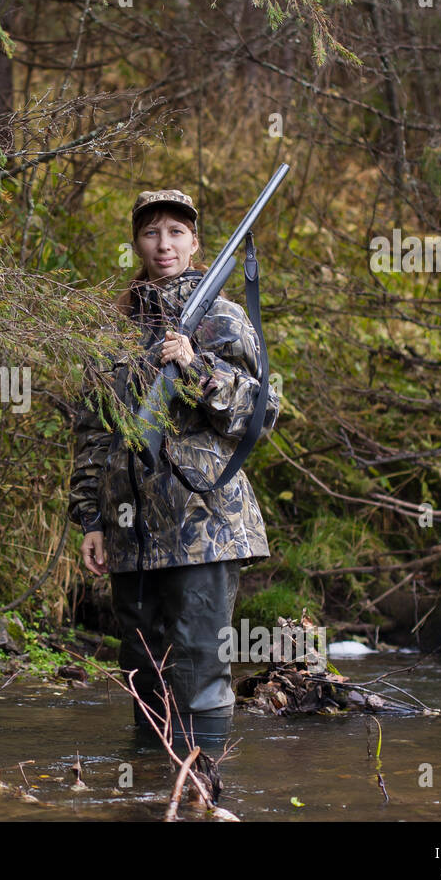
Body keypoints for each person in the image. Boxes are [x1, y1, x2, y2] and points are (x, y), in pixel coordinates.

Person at [68, 188, 281, 755]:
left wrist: (195, 366)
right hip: (130, 525)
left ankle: (201, 784)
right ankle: (150, 787)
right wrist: (91, 517)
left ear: (194, 241)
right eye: (151, 233)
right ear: (136, 242)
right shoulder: (111, 326)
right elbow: (94, 429)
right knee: (141, 661)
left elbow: (261, 414)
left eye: (176, 233)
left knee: (198, 661)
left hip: (203, 523)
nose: (164, 245)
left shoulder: (224, 318)